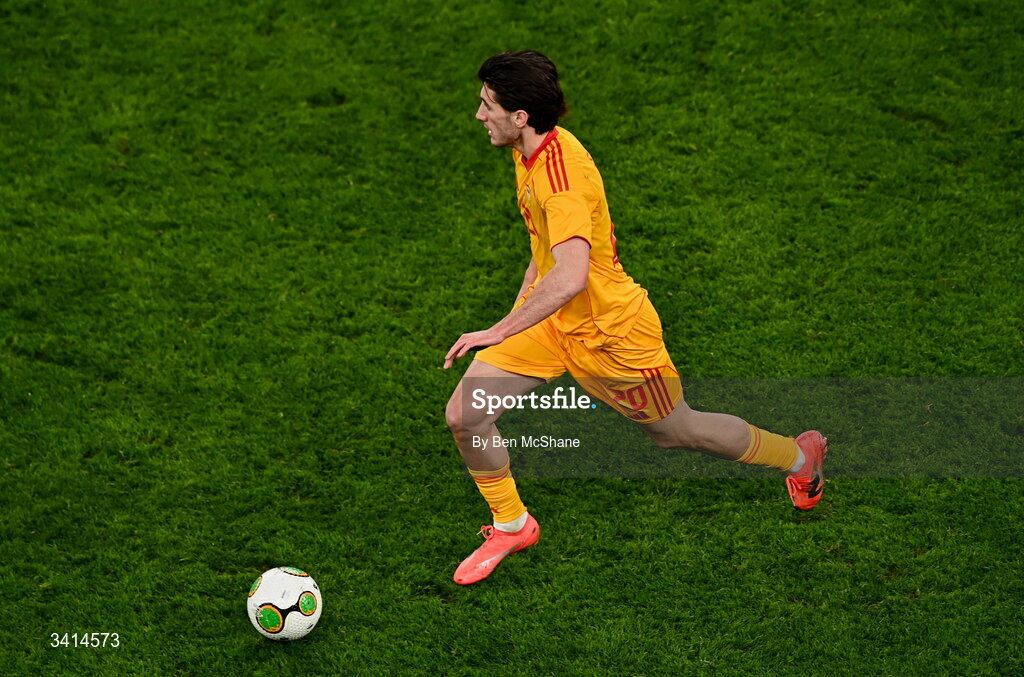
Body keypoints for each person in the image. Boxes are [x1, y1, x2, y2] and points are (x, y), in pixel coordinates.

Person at [443, 51, 828, 586]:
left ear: (521, 116)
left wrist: (498, 330)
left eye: (488, 106)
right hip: (553, 322)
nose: (480, 114)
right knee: (466, 416)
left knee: (678, 431)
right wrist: (518, 316)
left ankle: (799, 458)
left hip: (612, 335)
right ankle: (513, 525)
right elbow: (545, 250)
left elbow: (572, 275)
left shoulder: (561, 180)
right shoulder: (529, 148)